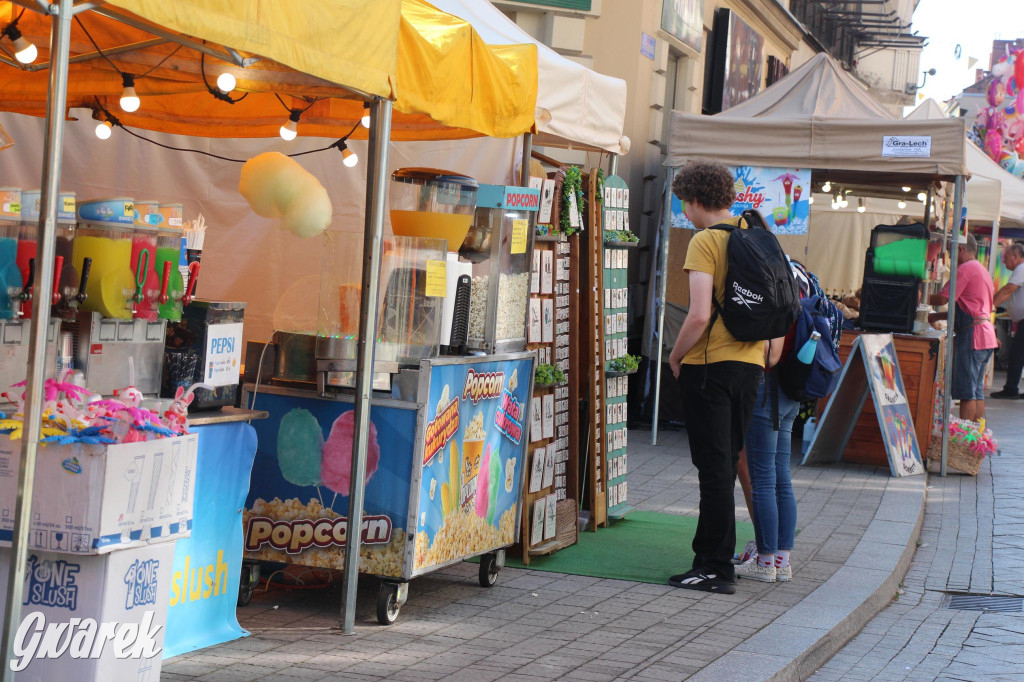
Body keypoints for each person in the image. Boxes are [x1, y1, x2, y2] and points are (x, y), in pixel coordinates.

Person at [667, 159, 769, 594]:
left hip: (709, 367)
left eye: (684, 205)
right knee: (725, 465)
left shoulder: (705, 241)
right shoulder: (755, 234)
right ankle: (716, 561)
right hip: (750, 366)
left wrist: (674, 355)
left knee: (712, 469)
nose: (685, 214)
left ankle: (713, 567)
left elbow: (699, 314)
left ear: (693, 199)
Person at [928, 234, 997, 421]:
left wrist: (920, 296)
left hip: (973, 336)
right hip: (985, 335)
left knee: (967, 392)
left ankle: (965, 438)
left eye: (951, 250)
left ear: (960, 249)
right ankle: (976, 436)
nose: (949, 255)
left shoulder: (965, 269)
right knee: (976, 391)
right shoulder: (981, 270)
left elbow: (943, 298)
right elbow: (970, 308)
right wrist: (936, 315)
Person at [991, 242, 1024, 398]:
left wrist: (989, 306)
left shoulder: (1021, 268)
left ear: (1016, 256)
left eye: (1006, 258)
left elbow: (1008, 290)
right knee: (1019, 353)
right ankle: (1011, 388)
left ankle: (1011, 389)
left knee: (1017, 354)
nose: (1003, 261)